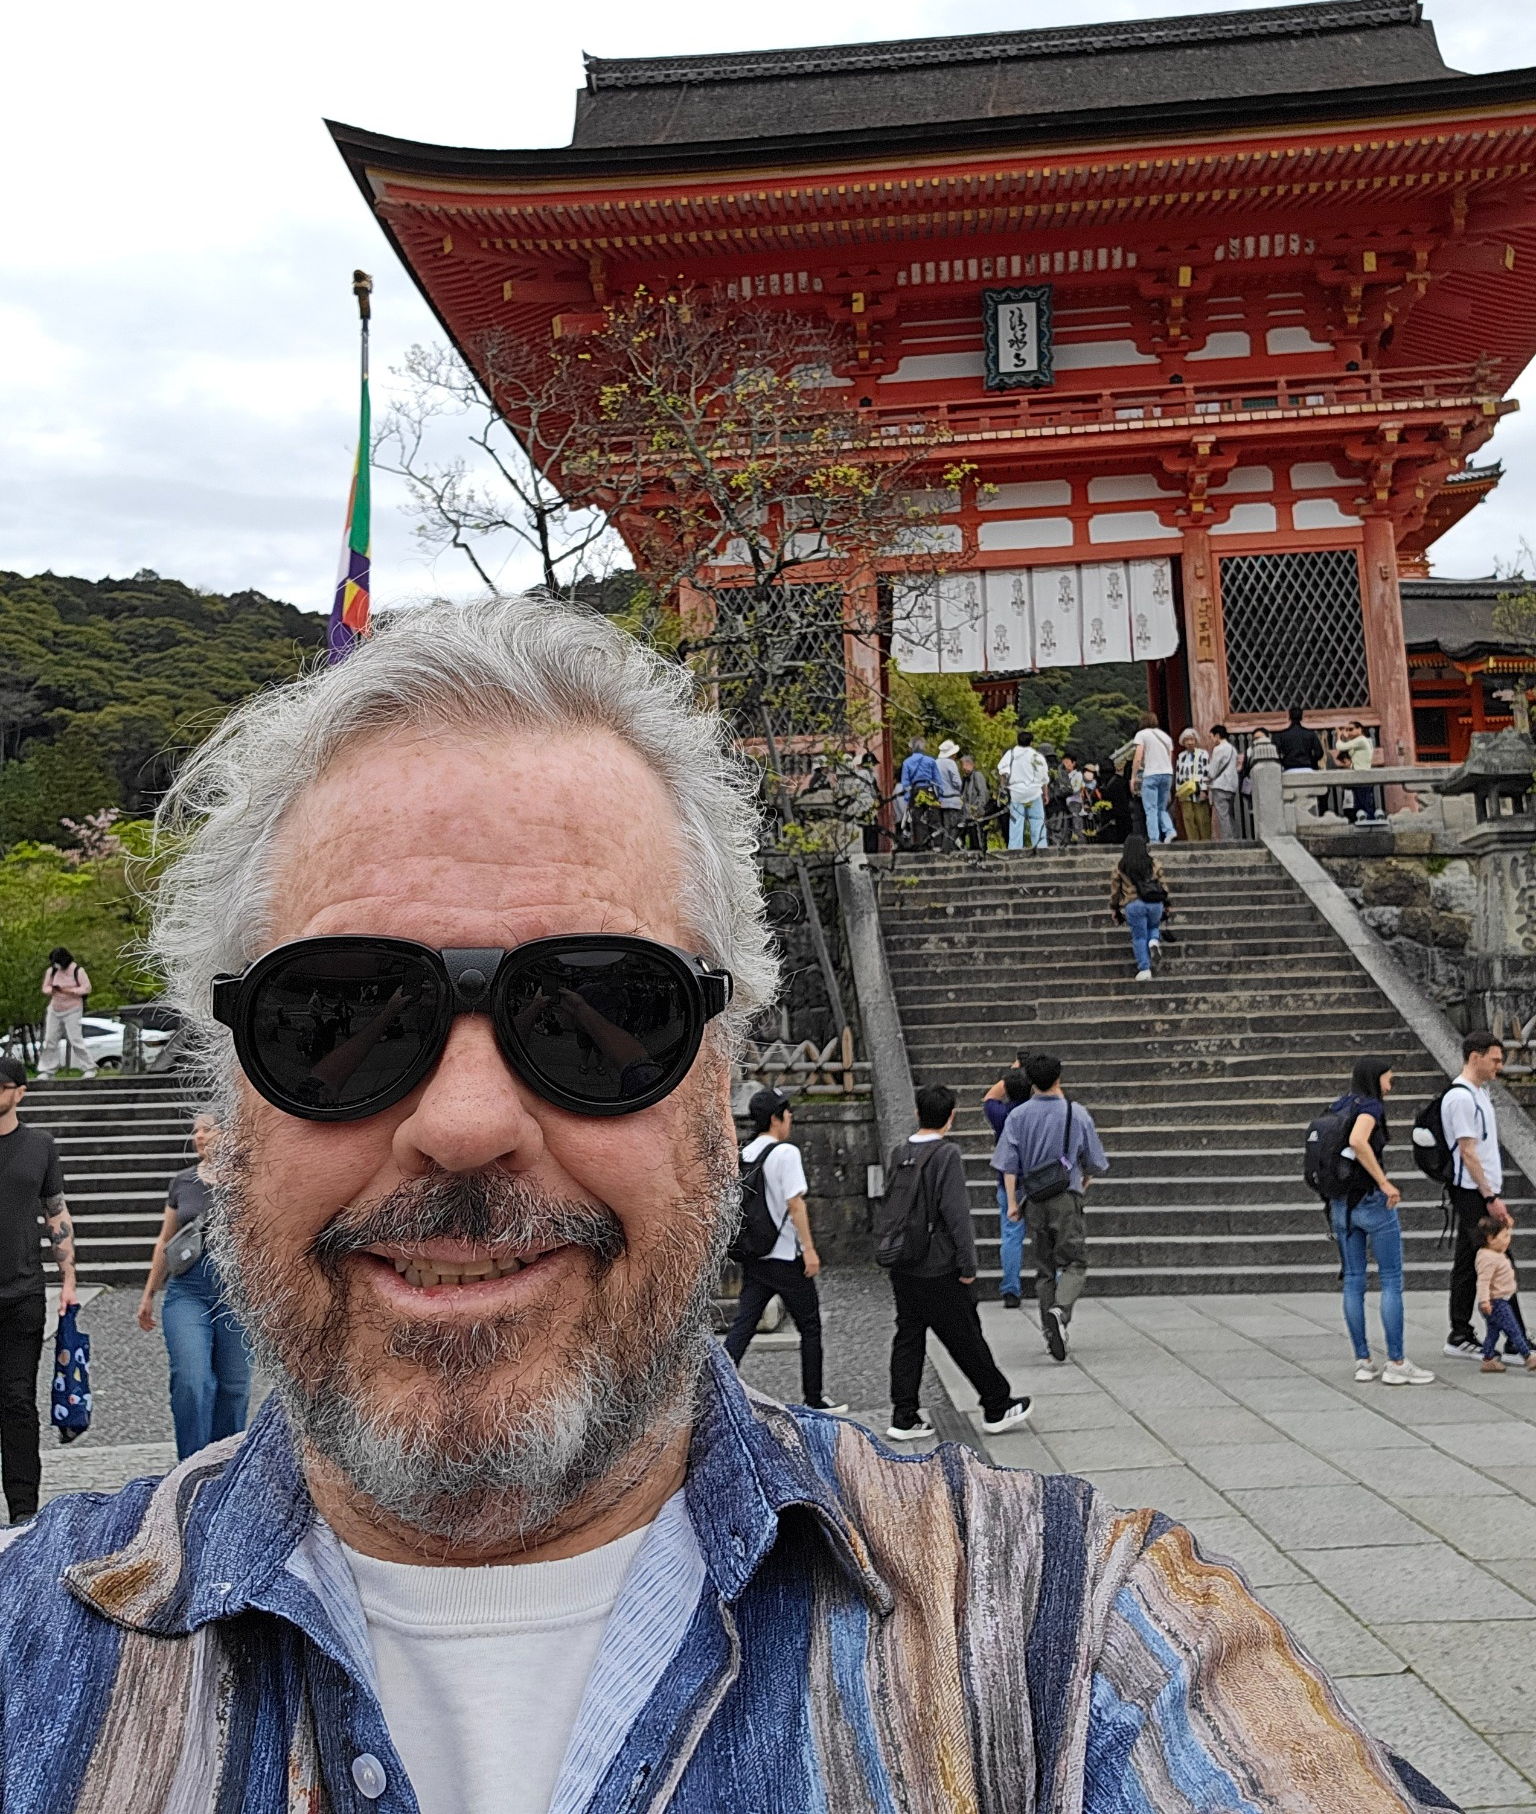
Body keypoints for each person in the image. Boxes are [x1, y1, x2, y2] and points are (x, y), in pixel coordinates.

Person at [0, 598, 1456, 1812]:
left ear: (723, 1076)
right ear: (225, 1099)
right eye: (335, 1017)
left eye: (599, 1014)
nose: (464, 1121)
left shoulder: (1068, 1652)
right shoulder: (29, 1658)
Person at [886, 1084, 1031, 1441]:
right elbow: (956, 1214)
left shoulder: (899, 1152)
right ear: (951, 1117)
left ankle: (903, 1414)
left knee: (909, 1335)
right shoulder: (946, 1154)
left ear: (918, 1114)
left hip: (902, 1258)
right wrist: (968, 1264)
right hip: (937, 1263)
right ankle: (996, 1404)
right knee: (964, 1335)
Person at [137, 1113, 255, 1458]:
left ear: (229, 1134)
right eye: (196, 1131)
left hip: (236, 1296)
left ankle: (225, 1465)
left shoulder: (248, 1180)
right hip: (187, 1291)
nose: (199, 1136)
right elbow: (166, 1240)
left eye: (207, 1129)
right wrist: (149, 1294)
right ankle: (190, 1464)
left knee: (233, 1387)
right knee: (192, 1380)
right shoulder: (183, 1181)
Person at [722, 1088, 845, 1412]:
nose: (790, 1117)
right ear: (776, 1118)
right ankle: (814, 1398)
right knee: (810, 1326)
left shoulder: (745, 1153)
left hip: (755, 1253)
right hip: (785, 1256)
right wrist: (810, 1249)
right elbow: (795, 1204)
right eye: (787, 1112)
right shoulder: (785, 1153)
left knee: (743, 1326)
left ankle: (716, 1391)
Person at [992, 1053, 1108, 1363]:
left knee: (1044, 1268)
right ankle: (1061, 1311)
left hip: (1034, 1198)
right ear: (1058, 1077)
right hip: (1066, 1196)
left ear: (1030, 1081)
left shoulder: (1017, 1116)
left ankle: (1049, 1330)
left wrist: (1013, 1203)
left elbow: (1008, 1164)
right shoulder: (1076, 1113)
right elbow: (1095, 1161)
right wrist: (1084, 1178)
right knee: (1074, 1262)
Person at [0, 1054, 77, 1523]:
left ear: (20, 1093)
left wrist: (69, 1279)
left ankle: (23, 1512)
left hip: (23, 1292)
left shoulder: (39, 1146)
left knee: (17, 1401)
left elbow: (56, 1213)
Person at [1326, 1058, 1434, 1386]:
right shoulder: (1370, 1106)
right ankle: (1397, 1362)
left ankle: (1363, 1361)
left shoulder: (1339, 1105)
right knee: (1390, 1279)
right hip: (1371, 1201)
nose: (1390, 1085)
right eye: (1388, 1078)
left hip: (1341, 1204)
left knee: (1353, 1281)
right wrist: (1384, 1182)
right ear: (1375, 1078)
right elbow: (1358, 1141)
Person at [1443, 1029, 1522, 1360]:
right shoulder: (1461, 1098)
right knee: (1500, 1260)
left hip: (1479, 1190)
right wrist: (1490, 1197)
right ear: (1475, 1057)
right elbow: (1468, 1152)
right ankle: (1517, 1342)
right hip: (1473, 1191)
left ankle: (1459, 1332)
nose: (1499, 1066)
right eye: (1495, 1059)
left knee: (1467, 1263)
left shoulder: (1479, 1093)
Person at [983, 1067, 1030, 1308]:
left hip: (1009, 1182)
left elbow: (990, 1097)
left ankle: (1011, 1288)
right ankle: (1054, 1283)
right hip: (1040, 1180)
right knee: (1047, 1235)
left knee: (1011, 1236)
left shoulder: (1002, 1114)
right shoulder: (1038, 1113)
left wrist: (1011, 1074)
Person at [1475, 1215, 1536, 1373]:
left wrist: (1507, 1224)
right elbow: (1483, 1282)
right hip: (1496, 1303)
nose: (1508, 1240)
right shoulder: (1487, 1258)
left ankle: (1487, 1359)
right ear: (1491, 1238)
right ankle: (1528, 1357)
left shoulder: (1493, 1252)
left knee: (1493, 1333)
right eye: (1505, 1236)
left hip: (1500, 1300)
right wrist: (1484, 1301)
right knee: (1514, 1330)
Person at [1110, 835, 1167, 981]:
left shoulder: (1121, 867)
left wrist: (1114, 908)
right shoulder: (1154, 864)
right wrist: (1167, 903)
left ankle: (1145, 969)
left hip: (1134, 904)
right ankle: (1154, 941)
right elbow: (1163, 885)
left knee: (1139, 937)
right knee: (1153, 926)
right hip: (1155, 902)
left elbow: (1115, 891)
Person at [36, 946, 96, 1080]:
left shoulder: (77, 971)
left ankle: (89, 1067)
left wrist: (70, 991)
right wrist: (53, 990)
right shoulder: (51, 971)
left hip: (73, 1009)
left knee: (75, 1039)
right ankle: (47, 1070)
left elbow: (86, 988)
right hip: (55, 1009)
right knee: (50, 1040)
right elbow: (45, 988)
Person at [996, 729, 1049, 850]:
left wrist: (1003, 788)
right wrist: (1046, 794)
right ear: (1031, 742)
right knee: (1037, 821)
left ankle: (1015, 848)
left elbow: (1003, 773)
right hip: (1034, 792)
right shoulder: (1036, 756)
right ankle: (1040, 847)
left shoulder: (1011, 754)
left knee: (1016, 822)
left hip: (1016, 793)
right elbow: (1044, 778)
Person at [1130, 712, 1177, 843]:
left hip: (1151, 773)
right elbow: (1169, 757)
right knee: (1162, 808)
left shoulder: (1141, 734)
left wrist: (1133, 777)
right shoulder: (1166, 737)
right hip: (1167, 773)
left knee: (1151, 809)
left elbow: (1138, 757)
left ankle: (1154, 839)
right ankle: (1170, 830)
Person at [1334, 718, 1384, 825]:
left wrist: (1339, 736)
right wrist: (1347, 736)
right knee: (1359, 802)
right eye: (1347, 729)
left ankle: (1371, 821)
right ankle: (1365, 822)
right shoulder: (1361, 741)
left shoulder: (1361, 740)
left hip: (1362, 774)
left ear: (1359, 729)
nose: (1349, 732)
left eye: (1351, 729)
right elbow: (1350, 749)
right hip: (1359, 774)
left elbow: (1340, 747)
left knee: (1364, 802)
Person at [897, 737, 943, 849]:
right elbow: (938, 780)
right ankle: (937, 844)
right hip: (929, 790)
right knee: (933, 818)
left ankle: (922, 845)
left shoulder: (907, 762)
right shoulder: (930, 761)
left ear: (911, 748)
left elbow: (905, 783)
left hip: (916, 791)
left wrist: (908, 799)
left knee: (918, 819)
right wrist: (940, 795)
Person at [1174, 729, 1211, 840]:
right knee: (1188, 818)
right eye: (1187, 740)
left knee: (1202, 819)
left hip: (1198, 790)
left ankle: (1205, 843)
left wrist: (1204, 790)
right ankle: (1193, 842)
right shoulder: (1181, 756)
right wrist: (1179, 791)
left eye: (1192, 739)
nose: (1189, 742)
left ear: (1196, 740)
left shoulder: (1203, 754)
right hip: (1185, 792)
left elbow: (1206, 772)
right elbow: (1178, 774)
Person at [1209, 723, 1241, 841]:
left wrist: (1208, 778)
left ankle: (1228, 839)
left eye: (1211, 737)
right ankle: (1235, 835)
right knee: (1229, 813)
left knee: (1222, 814)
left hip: (1220, 784)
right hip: (1231, 785)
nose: (1212, 740)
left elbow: (1212, 770)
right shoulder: (1233, 749)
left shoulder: (1218, 749)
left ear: (1217, 736)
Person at [1273, 702, 1324, 774]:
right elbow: (1319, 753)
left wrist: (1283, 761)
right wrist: (1312, 760)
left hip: (1289, 768)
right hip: (1307, 767)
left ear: (1289, 716)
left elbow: (1275, 753)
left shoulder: (1281, 735)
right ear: (1301, 717)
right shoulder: (1310, 734)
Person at [934, 739, 964, 850]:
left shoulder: (936, 763)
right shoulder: (951, 763)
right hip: (953, 800)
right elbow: (957, 782)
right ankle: (948, 849)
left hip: (941, 800)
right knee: (953, 827)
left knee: (945, 826)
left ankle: (945, 847)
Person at [958, 753, 991, 851]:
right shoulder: (965, 779)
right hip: (968, 815)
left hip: (977, 813)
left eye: (964, 765)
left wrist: (976, 808)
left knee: (978, 839)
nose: (963, 768)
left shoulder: (977, 776)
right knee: (971, 839)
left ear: (970, 764)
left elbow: (983, 795)